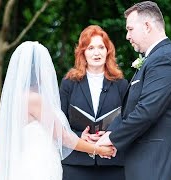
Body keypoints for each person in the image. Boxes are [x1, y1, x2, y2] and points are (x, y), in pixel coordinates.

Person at [0, 41, 115, 180]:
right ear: (37, 69)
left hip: (28, 162)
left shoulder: (18, 99)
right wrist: (98, 150)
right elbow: (63, 137)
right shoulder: (34, 99)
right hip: (37, 166)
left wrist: (80, 137)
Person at [96, 1, 171, 180]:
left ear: (147, 26)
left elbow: (147, 111)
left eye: (130, 29)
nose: (127, 36)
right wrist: (110, 133)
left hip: (157, 161)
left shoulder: (164, 60)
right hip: (147, 159)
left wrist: (113, 138)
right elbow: (133, 107)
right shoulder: (157, 58)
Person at [60, 25, 128, 180]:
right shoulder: (69, 83)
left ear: (108, 51)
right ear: (82, 52)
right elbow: (59, 122)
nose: (96, 53)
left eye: (101, 47)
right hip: (76, 164)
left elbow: (128, 118)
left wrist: (112, 135)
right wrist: (79, 136)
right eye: (90, 48)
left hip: (112, 163)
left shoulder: (121, 84)